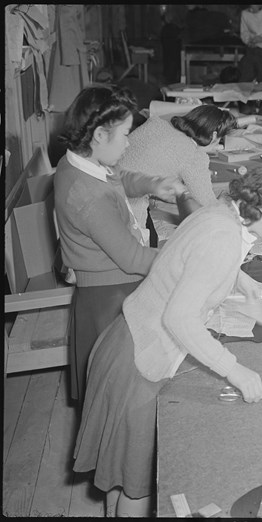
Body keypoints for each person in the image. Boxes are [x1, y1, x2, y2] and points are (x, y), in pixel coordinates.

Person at [72, 162, 262, 517]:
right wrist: (234, 369)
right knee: (138, 483)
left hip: (124, 341)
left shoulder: (222, 210)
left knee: (120, 473)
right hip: (139, 362)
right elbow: (179, 318)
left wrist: (236, 280)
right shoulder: (223, 237)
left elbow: (184, 255)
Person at [54, 85, 184, 402]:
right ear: (100, 134)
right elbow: (132, 258)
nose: (128, 143)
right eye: (125, 134)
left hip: (110, 284)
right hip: (110, 296)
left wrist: (153, 183)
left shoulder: (79, 162)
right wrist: (182, 257)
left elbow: (119, 176)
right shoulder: (87, 195)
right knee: (119, 389)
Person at [118, 105, 239, 244]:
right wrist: (227, 206)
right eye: (221, 140)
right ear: (214, 136)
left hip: (103, 183)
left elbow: (149, 164)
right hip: (127, 210)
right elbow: (207, 206)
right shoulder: (194, 155)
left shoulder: (157, 123)